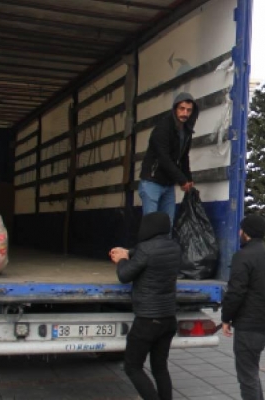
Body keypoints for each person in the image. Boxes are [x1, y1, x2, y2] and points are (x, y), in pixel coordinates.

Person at [109, 212, 182, 400]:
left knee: (132, 367)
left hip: (147, 320)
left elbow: (124, 275)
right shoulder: (174, 247)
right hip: (168, 319)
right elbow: (149, 252)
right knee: (160, 368)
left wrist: (122, 260)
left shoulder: (146, 249)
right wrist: (128, 251)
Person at [221, 215, 265, 400]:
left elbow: (235, 292)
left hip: (248, 326)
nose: (239, 232)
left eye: (241, 229)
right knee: (252, 372)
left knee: (247, 377)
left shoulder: (242, 256)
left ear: (247, 233)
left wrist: (225, 318)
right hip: (263, 325)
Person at [138, 92, 200, 225]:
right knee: (151, 225)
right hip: (152, 182)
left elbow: (184, 157)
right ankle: (149, 246)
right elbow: (163, 158)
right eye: (182, 109)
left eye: (189, 110)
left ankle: (165, 245)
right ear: (175, 109)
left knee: (167, 224)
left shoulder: (186, 131)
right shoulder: (163, 128)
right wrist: (182, 180)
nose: (185, 113)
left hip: (168, 184)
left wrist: (188, 179)